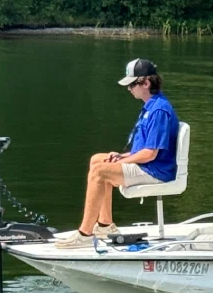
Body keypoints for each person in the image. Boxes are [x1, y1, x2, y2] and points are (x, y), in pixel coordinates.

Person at [56, 58, 180, 249]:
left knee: (100, 171)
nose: (129, 89)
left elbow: (150, 154)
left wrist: (124, 159)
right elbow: (146, 150)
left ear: (146, 83)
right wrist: (123, 157)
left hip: (155, 171)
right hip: (149, 165)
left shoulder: (159, 110)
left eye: (132, 84)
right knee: (98, 159)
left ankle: (85, 234)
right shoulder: (151, 106)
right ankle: (105, 225)